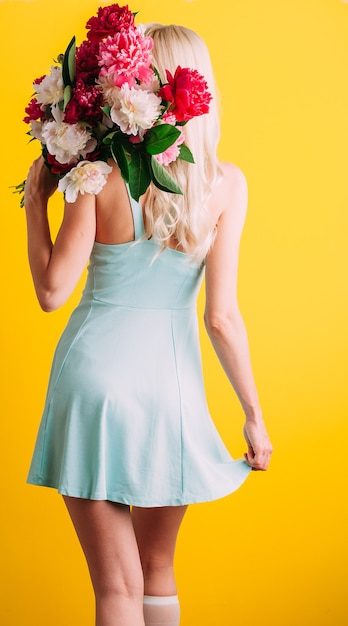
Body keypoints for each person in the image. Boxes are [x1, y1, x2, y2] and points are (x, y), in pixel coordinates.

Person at [24, 20, 273, 626]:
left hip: (93, 383)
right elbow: (221, 318)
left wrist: (36, 202)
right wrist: (253, 415)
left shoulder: (97, 171)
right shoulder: (226, 184)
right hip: (172, 392)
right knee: (155, 568)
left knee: (115, 587)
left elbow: (53, 291)